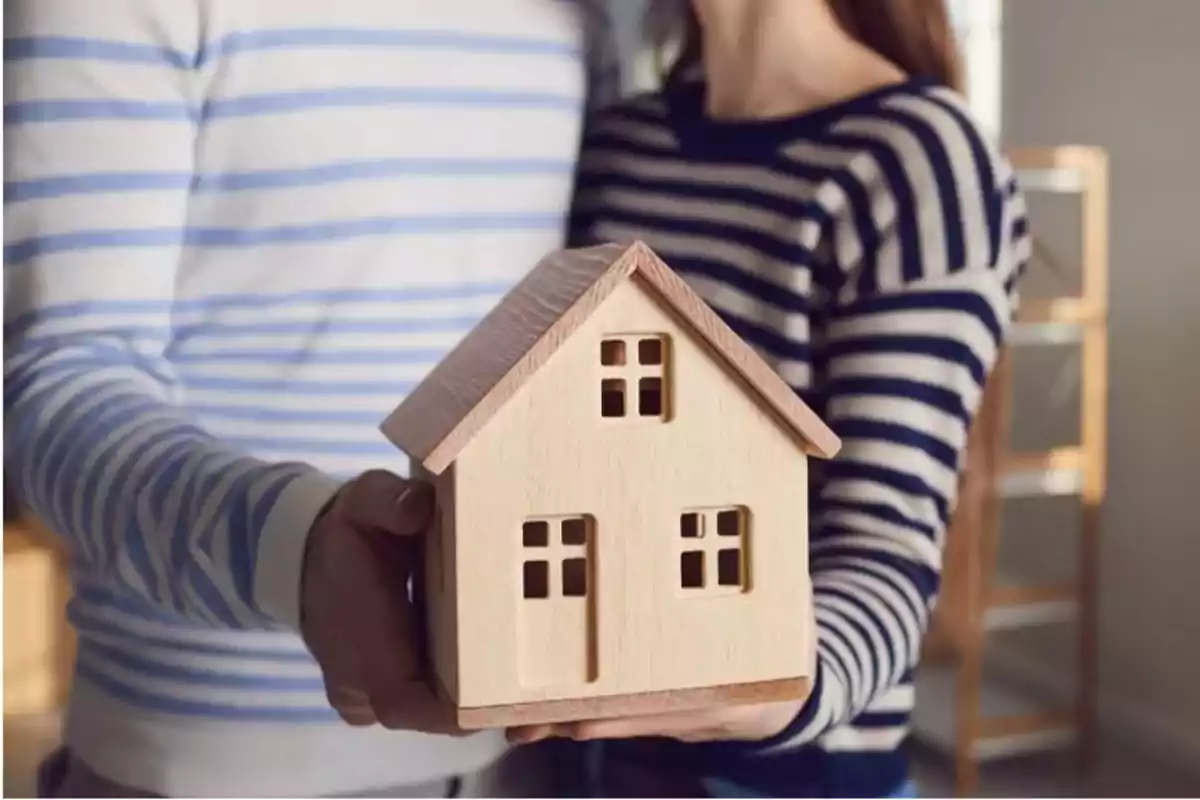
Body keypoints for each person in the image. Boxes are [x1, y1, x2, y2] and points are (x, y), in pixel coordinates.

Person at [4, 1, 617, 796]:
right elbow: (55, 385)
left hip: (526, 751)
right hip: (208, 763)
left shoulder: (582, 14)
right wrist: (292, 548)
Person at [509, 0, 1029, 796]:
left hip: (788, 776)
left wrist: (765, 687)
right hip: (576, 770)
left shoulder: (919, 161)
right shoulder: (622, 145)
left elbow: (885, 550)